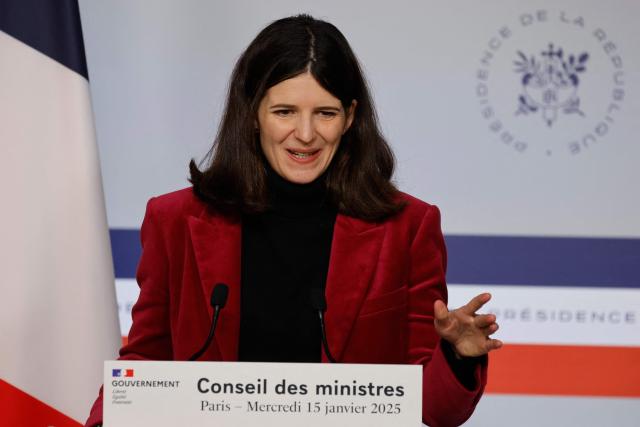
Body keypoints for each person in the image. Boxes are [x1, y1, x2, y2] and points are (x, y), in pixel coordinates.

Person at [86, 14, 501, 427]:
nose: (305, 134)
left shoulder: (407, 227)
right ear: (253, 113)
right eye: (284, 111)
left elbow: (433, 408)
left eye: (325, 113)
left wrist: (458, 356)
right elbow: (145, 362)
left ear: (350, 117)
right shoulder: (174, 220)